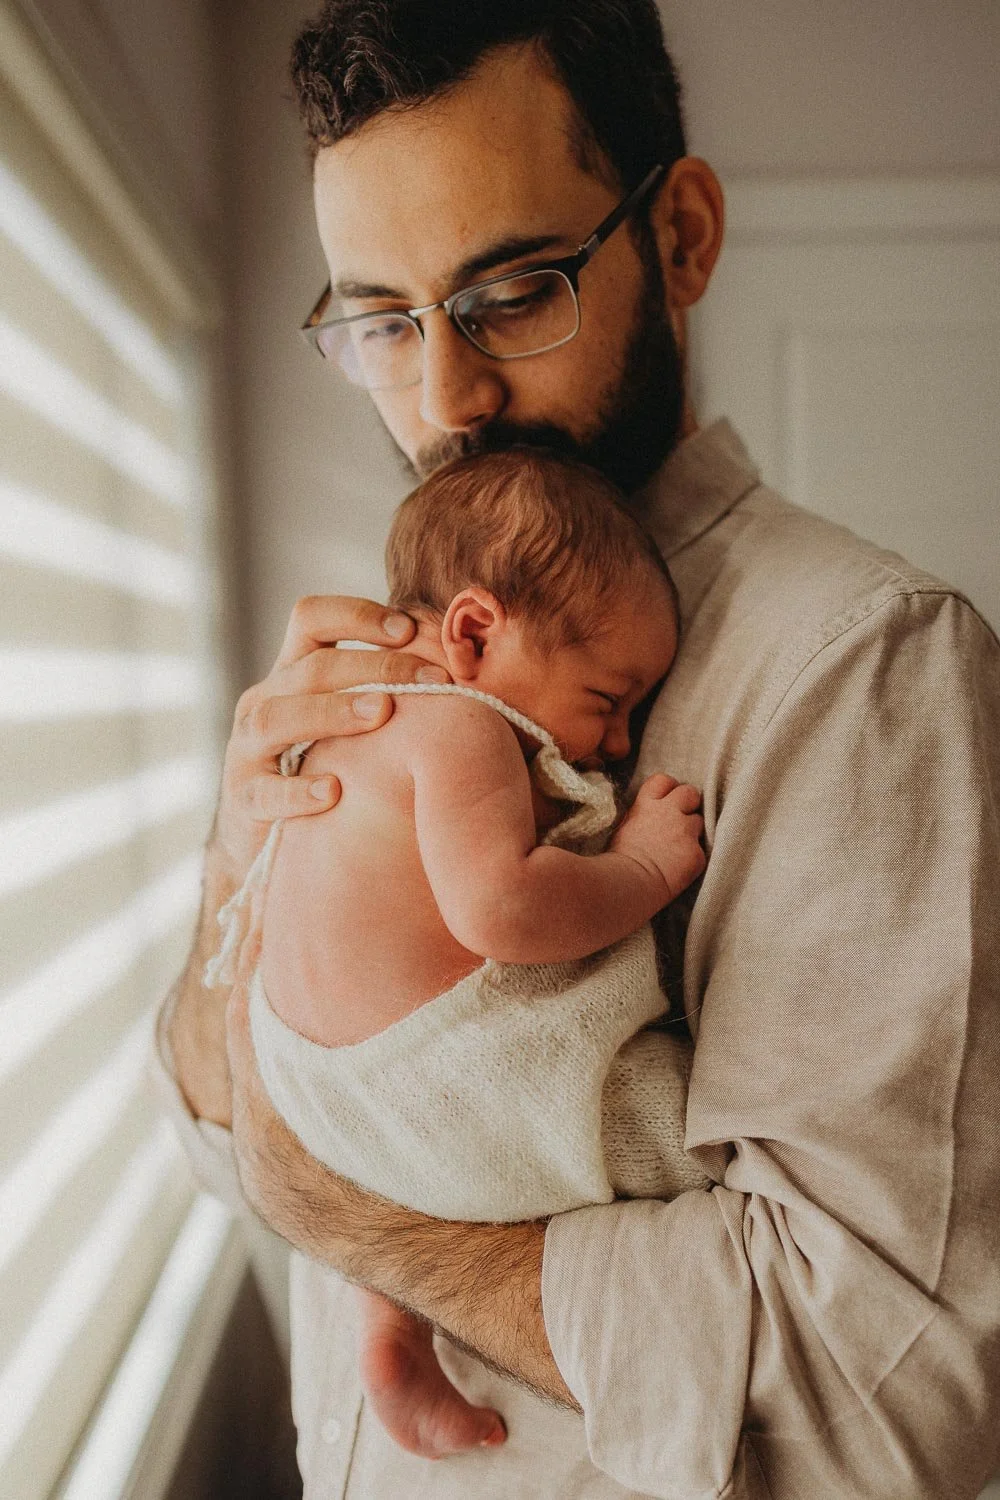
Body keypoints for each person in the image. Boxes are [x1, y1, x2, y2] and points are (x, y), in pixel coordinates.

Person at [155, 2, 1000, 1497]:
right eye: (380, 322)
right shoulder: (393, 664)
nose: (441, 399)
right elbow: (225, 1154)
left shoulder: (857, 667)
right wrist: (243, 877)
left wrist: (357, 1218)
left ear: (679, 236)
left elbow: (888, 1404)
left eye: (513, 291)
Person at [226, 447, 708, 1459]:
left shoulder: (336, 729)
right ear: (477, 633)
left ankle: (389, 1326)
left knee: (398, 1188)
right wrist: (644, 868)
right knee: (662, 1121)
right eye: (606, 695)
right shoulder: (459, 729)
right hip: (423, 1082)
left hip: (310, 1087)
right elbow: (503, 912)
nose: (616, 742)